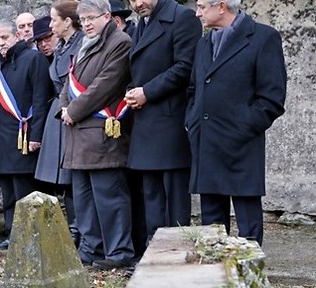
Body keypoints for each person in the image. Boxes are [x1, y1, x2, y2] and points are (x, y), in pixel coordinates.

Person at [186, 0, 287, 245]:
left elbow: (272, 98)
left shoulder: (263, 38)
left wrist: (243, 127)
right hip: (206, 141)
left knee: (247, 220)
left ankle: (250, 273)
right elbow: (193, 89)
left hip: (242, 144)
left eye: (201, 6)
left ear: (221, 6)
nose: (197, 13)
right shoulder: (204, 43)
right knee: (211, 222)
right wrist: (192, 121)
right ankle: (214, 274)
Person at [58, 0, 135, 270]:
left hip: (102, 134)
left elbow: (105, 84)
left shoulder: (120, 42)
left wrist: (73, 110)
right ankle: (91, 248)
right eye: (83, 18)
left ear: (107, 16)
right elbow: (69, 82)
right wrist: (63, 107)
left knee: (109, 197)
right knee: (84, 199)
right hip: (78, 134)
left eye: (92, 17)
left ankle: (118, 251)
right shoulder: (83, 44)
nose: (87, 23)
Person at [124, 0, 202, 250]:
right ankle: (154, 252)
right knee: (152, 195)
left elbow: (185, 67)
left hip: (171, 121)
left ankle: (176, 253)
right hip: (146, 120)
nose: (137, 3)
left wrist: (147, 91)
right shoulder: (141, 24)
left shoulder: (183, 18)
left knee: (174, 197)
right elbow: (138, 70)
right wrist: (132, 92)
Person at [0, 19, 53, 250]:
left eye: (5, 37)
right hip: (2, 139)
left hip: (23, 137)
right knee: (9, 192)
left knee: (24, 190)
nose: (2, 43)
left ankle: (32, 236)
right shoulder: (0, 64)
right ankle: (12, 234)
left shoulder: (33, 59)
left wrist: (36, 135)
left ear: (16, 35)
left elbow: (40, 99)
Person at [34, 0, 84, 247]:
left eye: (54, 20)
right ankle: (71, 230)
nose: (50, 25)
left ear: (67, 22)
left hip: (73, 113)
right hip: (58, 113)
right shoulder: (63, 47)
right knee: (61, 180)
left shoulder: (81, 44)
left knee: (73, 178)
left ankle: (79, 231)